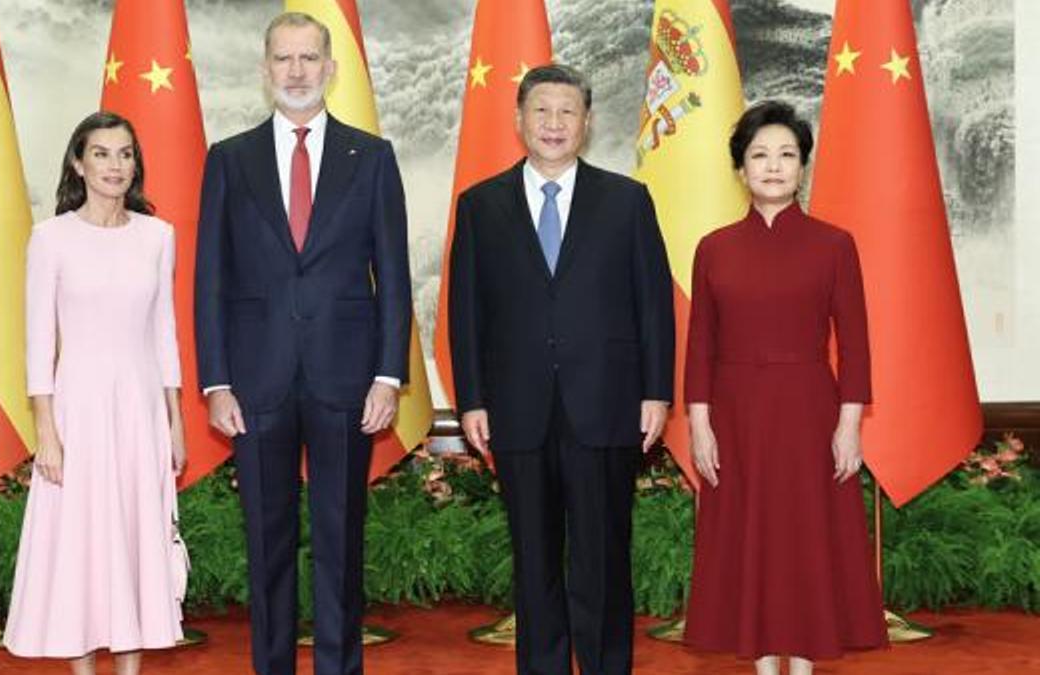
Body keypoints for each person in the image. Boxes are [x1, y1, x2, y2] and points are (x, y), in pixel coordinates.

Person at [193, 12, 411, 675]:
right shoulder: (229, 159)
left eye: (309, 58)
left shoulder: (372, 157)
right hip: (255, 381)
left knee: (341, 540)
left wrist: (388, 375)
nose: (296, 71)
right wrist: (216, 381)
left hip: (347, 379)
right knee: (267, 541)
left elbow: (393, 276)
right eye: (284, 59)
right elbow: (210, 278)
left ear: (330, 68)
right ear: (265, 70)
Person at [448, 63, 675, 675]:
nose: (554, 123)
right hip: (516, 409)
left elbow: (653, 304)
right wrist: (472, 399)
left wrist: (656, 392)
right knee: (534, 562)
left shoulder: (626, 201)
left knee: (603, 559)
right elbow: (465, 312)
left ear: (587, 122)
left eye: (567, 111)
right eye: (541, 110)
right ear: (519, 119)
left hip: (605, 403)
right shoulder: (480, 205)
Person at [682, 100, 888, 674]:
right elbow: (699, 344)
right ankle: (761, 664)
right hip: (734, 416)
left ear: (803, 166)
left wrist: (849, 426)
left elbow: (856, 344)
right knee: (749, 535)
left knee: (804, 537)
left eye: (787, 155)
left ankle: (802, 664)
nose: (773, 167)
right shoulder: (714, 247)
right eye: (760, 155)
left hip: (809, 413)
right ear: (740, 168)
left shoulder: (834, 244)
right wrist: (699, 423)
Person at [4, 111, 188, 675]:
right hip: (77, 413)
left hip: (140, 411)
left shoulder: (157, 236)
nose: (115, 166)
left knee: (134, 541)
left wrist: (175, 420)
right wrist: (47, 431)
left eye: (125, 154)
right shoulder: (51, 238)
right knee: (79, 546)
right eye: (101, 154)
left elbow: (164, 333)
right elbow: (39, 343)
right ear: (78, 164)